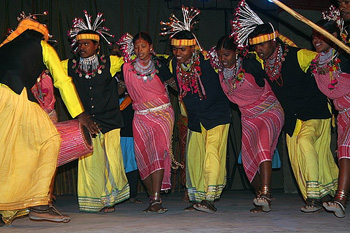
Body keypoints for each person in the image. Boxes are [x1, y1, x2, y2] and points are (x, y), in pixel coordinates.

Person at [236, 2, 339, 212]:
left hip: (315, 112)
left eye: (262, 45)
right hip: (293, 119)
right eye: (255, 46)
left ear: (274, 41)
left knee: (305, 143)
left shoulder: (299, 55)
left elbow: (326, 60)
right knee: (301, 159)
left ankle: (313, 196)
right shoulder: (262, 62)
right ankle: (325, 195)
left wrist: (334, 51)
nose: (258, 49)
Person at [0, 12, 93, 225]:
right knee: (49, 139)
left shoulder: (4, 48)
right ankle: (39, 204)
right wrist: (81, 115)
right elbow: (62, 81)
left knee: (6, 151)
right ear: (41, 36)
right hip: (14, 97)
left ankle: (5, 207)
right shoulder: (42, 47)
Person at [161, 6, 231, 213]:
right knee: (194, 158)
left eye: (182, 49)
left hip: (217, 115)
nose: (177, 53)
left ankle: (209, 198)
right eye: (174, 49)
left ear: (193, 48)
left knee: (212, 155)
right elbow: (172, 80)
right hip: (195, 117)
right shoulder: (173, 64)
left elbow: (232, 59)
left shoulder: (210, 60)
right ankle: (198, 197)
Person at [61, 11, 130, 213]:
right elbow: (50, 68)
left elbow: (132, 61)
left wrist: (126, 49)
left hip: (110, 119)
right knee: (90, 162)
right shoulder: (69, 66)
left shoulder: (111, 62)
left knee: (112, 161)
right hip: (86, 121)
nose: (81, 47)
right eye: (79, 44)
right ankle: (93, 201)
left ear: (97, 45)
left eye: (86, 44)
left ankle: (109, 200)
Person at [211, 35, 284, 212]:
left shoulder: (250, 65)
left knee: (263, 147)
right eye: (220, 55)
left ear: (236, 53)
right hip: (249, 116)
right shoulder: (221, 74)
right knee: (247, 159)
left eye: (226, 55)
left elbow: (272, 79)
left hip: (269, 110)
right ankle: (261, 196)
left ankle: (266, 193)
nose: (223, 59)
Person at [118, 32, 177, 213]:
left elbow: (176, 86)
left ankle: (157, 199)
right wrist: (121, 82)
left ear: (151, 47)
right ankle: (153, 196)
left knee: (159, 152)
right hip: (141, 116)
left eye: (143, 46)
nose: (139, 50)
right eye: (136, 47)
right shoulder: (127, 68)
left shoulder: (160, 65)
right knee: (143, 157)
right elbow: (120, 91)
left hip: (162, 115)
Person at [311, 19, 350, 218]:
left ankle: (340, 198)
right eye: (314, 35)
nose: (316, 39)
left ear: (334, 36)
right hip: (342, 113)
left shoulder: (345, 55)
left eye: (321, 34)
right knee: (344, 152)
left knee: (346, 150)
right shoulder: (316, 63)